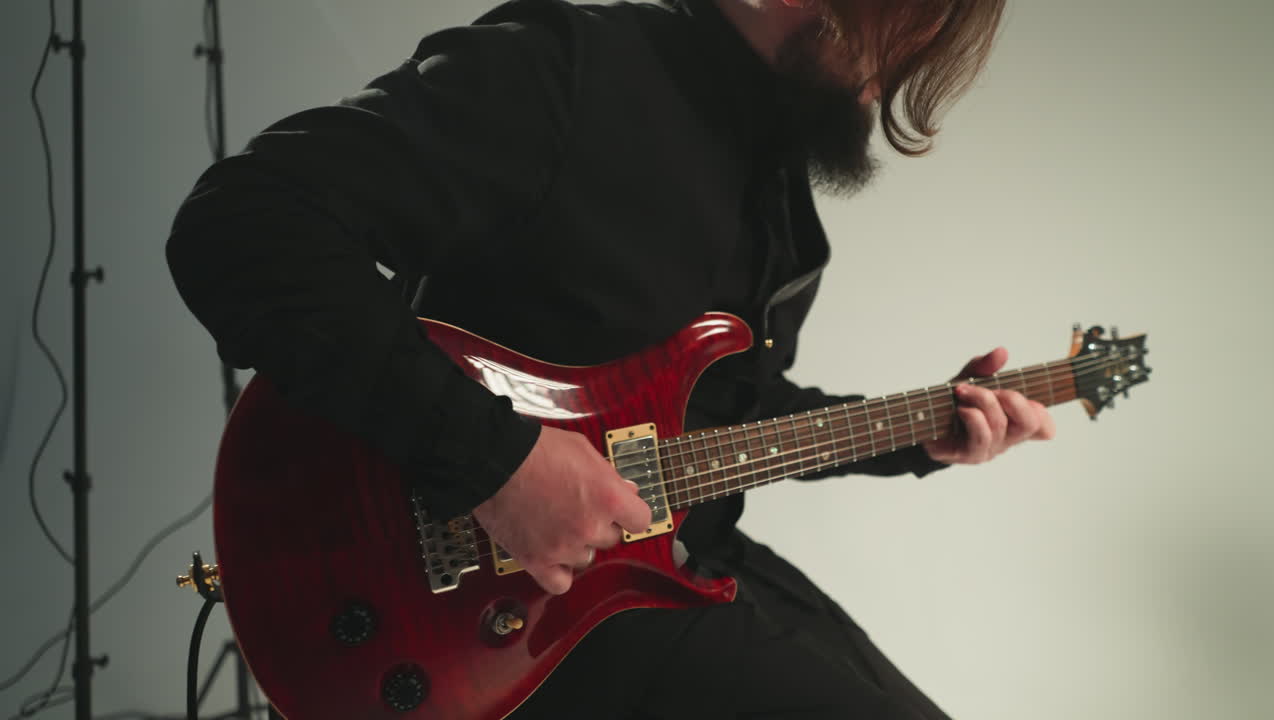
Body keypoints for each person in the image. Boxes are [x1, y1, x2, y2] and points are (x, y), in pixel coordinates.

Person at [167, 0, 1054, 717]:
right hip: (479, 623)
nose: (883, 79)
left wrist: (924, 433)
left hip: (678, 572)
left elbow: (730, 413)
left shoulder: (780, 194)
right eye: (892, 33)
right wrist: (497, 463)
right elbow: (244, 224)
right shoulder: (566, 68)